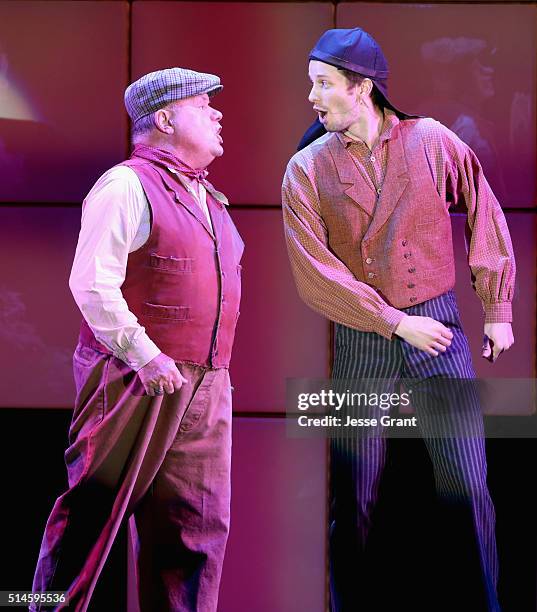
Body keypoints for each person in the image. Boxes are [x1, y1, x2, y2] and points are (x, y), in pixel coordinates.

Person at [281, 28, 515, 612]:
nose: (311, 96)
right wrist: (392, 322)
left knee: (467, 486)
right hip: (364, 340)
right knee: (353, 500)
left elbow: (483, 210)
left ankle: (486, 604)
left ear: (361, 89)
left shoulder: (432, 140)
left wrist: (498, 309)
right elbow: (316, 275)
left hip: (439, 333)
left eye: (323, 84)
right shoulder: (306, 170)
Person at [31, 67, 244, 612]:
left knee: (195, 532)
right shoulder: (126, 185)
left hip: (205, 386)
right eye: (204, 105)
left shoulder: (209, 198)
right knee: (89, 522)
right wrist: (145, 356)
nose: (218, 114)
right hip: (136, 378)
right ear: (166, 118)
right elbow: (92, 283)